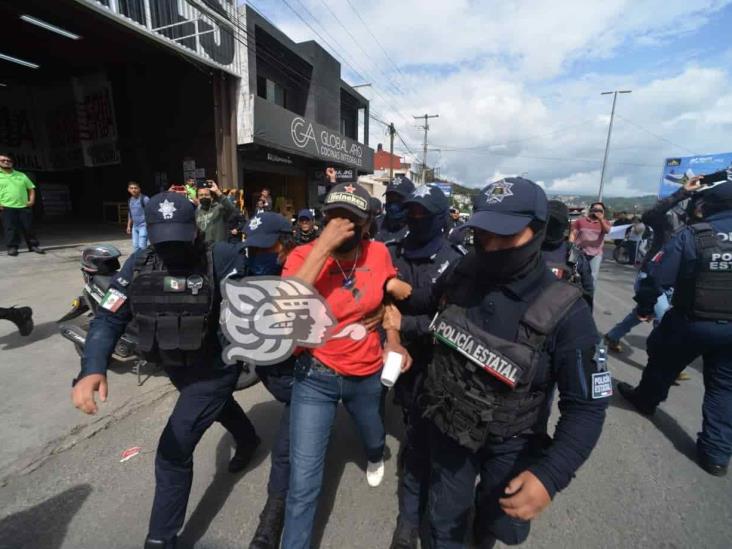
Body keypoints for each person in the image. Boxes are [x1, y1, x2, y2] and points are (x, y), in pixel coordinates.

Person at [404, 177, 608, 548]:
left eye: (506, 236)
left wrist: (550, 475)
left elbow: (588, 408)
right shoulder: (464, 271)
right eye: (483, 235)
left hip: (511, 442)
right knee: (443, 523)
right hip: (450, 427)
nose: (492, 247)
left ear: (538, 231)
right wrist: (394, 320)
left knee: (502, 527)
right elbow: (429, 306)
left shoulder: (567, 311)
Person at [71, 192, 260, 548]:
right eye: (162, 238)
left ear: (195, 229)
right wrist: (92, 368)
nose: (171, 246)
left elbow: (253, 304)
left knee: (172, 452)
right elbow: (109, 318)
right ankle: (249, 439)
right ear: (149, 233)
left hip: (214, 370)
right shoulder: (140, 263)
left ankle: (161, 538)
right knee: (211, 410)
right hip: (174, 365)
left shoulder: (221, 257)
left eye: (179, 235)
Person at [280, 181, 412, 549]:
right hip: (315, 376)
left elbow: (386, 300)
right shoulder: (303, 256)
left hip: (366, 373)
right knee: (303, 483)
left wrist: (394, 333)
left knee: (374, 439)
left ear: (367, 224)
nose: (341, 226)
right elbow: (282, 310)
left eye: (350, 220)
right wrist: (322, 248)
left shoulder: (379, 252)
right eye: (333, 217)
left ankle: (372, 455)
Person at [617, 180, 732, 478]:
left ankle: (646, 400)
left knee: (661, 360)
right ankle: (716, 455)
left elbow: (657, 278)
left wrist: (644, 307)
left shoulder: (693, 235)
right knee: (724, 388)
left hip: (691, 321)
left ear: (705, 207)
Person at [382, 184, 465, 549]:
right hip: (404, 363)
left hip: (445, 367)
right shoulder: (393, 251)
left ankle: (436, 521)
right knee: (414, 438)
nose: (414, 219)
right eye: (410, 211)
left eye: (423, 214)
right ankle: (408, 520)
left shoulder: (457, 260)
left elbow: (454, 323)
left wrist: (406, 322)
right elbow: (379, 305)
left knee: (442, 450)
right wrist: (392, 332)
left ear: (442, 219)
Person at [604, 176, 704, 354]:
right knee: (664, 316)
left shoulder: (699, 227)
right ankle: (664, 358)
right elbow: (649, 215)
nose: (702, 207)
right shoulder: (666, 221)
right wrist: (682, 192)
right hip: (651, 278)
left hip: (675, 282)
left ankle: (613, 335)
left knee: (641, 314)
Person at [542, 200, 594, 309]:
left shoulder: (573, 254)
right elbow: (588, 291)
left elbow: (587, 291)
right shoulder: (528, 249)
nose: (551, 226)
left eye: (555, 223)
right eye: (548, 222)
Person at [0, 152, 44, 256]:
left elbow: (31, 189)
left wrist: (32, 200)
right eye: (3, 160)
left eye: (9, 161)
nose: (6, 162)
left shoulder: (21, 175)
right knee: (10, 228)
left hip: (24, 206)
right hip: (6, 206)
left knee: (28, 227)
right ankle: (12, 247)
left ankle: (33, 246)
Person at [569, 201, 611, 285]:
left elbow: (607, 231)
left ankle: (589, 296)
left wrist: (601, 219)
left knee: (592, 277)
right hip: (578, 252)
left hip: (595, 254)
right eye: (595, 209)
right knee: (574, 275)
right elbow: (573, 234)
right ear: (591, 210)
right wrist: (570, 246)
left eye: (600, 210)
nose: (598, 211)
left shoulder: (605, 222)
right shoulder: (580, 221)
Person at [375, 175, 416, 244]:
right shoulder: (375, 225)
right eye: (390, 199)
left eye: (399, 200)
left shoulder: (418, 230)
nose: (393, 206)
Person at [126, 181, 150, 253]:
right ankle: (137, 263)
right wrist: (128, 226)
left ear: (139, 189)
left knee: (142, 246)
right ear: (128, 189)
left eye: (135, 188)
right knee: (135, 246)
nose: (133, 190)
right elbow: (130, 214)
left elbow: (151, 212)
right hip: (135, 226)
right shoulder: (130, 200)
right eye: (131, 188)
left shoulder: (145, 199)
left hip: (144, 226)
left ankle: (144, 262)